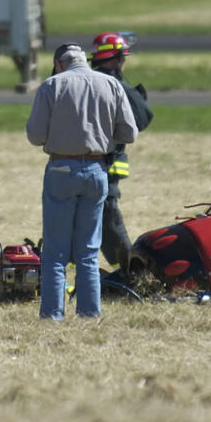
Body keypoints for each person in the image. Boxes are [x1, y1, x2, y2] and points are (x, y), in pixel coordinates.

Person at [26, 44, 137, 320]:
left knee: (55, 251)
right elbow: (129, 132)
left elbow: (35, 135)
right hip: (98, 170)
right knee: (88, 250)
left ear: (59, 63)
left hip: (61, 168)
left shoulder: (51, 86)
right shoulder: (110, 84)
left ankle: (53, 314)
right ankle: (89, 313)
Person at [89, 32, 153, 270]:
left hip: (71, 166)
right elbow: (142, 119)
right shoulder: (117, 86)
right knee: (108, 217)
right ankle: (130, 272)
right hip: (105, 168)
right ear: (116, 59)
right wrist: (137, 98)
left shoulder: (82, 81)